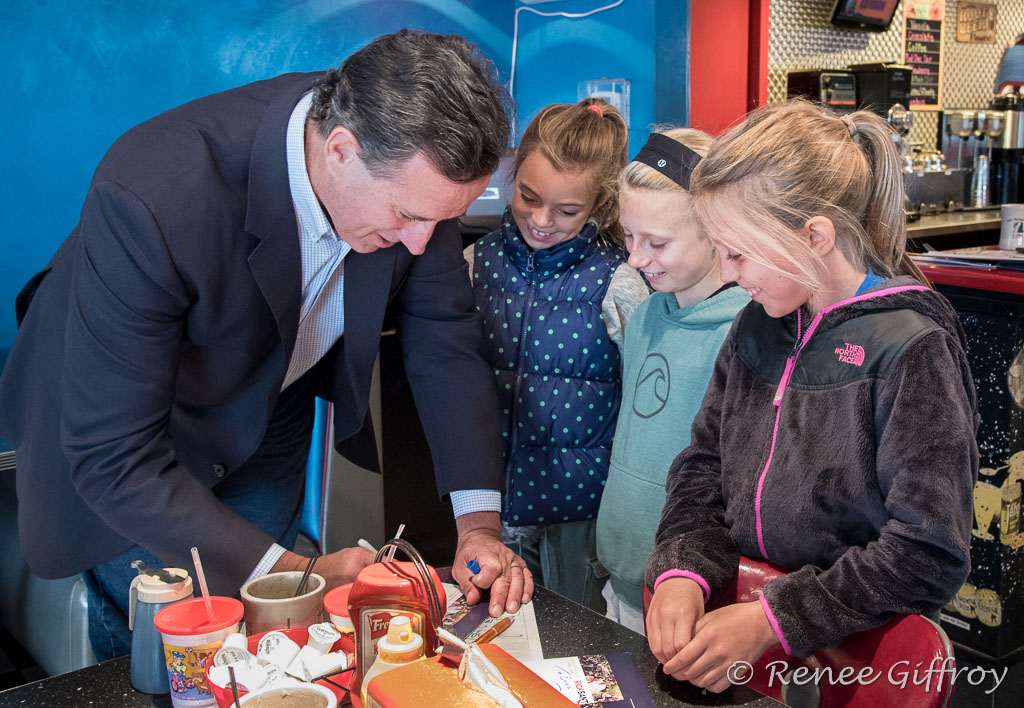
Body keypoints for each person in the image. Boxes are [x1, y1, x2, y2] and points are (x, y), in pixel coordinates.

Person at [0, 30, 532, 661]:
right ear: (341, 150)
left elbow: (446, 340)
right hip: (130, 430)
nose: (422, 245)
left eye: (440, 221)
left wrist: (477, 525)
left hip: (270, 402)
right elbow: (113, 457)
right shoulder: (153, 194)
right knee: (171, 644)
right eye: (408, 218)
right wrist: (304, 573)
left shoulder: (421, 183)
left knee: (270, 636)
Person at [644, 101, 979, 692]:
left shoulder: (910, 348)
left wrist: (775, 617)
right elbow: (702, 467)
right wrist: (682, 566)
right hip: (741, 641)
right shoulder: (756, 323)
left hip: (861, 659)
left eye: (739, 252)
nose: (726, 272)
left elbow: (929, 552)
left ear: (815, 236)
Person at [463, 98, 649, 611]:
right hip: (489, 511)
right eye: (528, 196)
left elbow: (644, 407)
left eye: (567, 211)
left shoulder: (621, 283)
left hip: (581, 513)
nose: (542, 220)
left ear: (602, 206)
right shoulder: (472, 264)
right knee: (492, 639)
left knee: (580, 644)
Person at [596, 129, 748, 634]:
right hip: (620, 579)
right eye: (627, 236)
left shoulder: (744, 334)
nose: (636, 259)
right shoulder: (644, 316)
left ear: (717, 233)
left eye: (657, 243)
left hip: (695, 600)